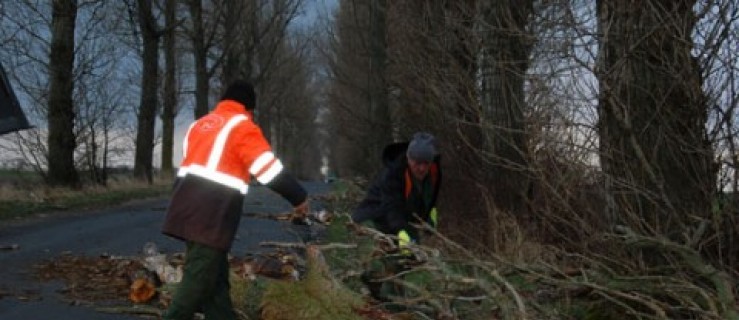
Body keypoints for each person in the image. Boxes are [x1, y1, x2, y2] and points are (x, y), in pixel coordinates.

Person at [161, 80, 309, 320]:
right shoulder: (242, 126)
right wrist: (298, 197)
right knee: (197, 281)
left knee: (215, 280)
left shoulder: (200, 124)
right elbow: (267, 169)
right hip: (211, 212)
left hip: (185, 204)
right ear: (249, 108)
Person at [350, 132, 442, 301]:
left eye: (425, 163)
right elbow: (391, 207)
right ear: (408, 158)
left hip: (404, 218)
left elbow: (430, 199)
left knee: (410, 260)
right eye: (417, 163)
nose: (421, 168)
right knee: (378, 260)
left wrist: (430, 218)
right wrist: (401, 232)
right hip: (374, 217)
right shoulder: (393, 174)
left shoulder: (434, 173)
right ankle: (375, 293)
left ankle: (398, 299)